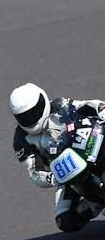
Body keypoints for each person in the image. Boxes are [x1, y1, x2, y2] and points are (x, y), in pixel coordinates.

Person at [10, 82, 105, 232]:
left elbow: (85, 106)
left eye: (33, 112)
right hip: (65, 174)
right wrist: (54, 177)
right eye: (24, 117)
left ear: (42, 103)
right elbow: (34, 172)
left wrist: (101, 109)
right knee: (66, 220)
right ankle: (95, 202)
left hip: (88, 146)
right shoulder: (21, 141)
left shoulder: (60, 105)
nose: (30, 119)